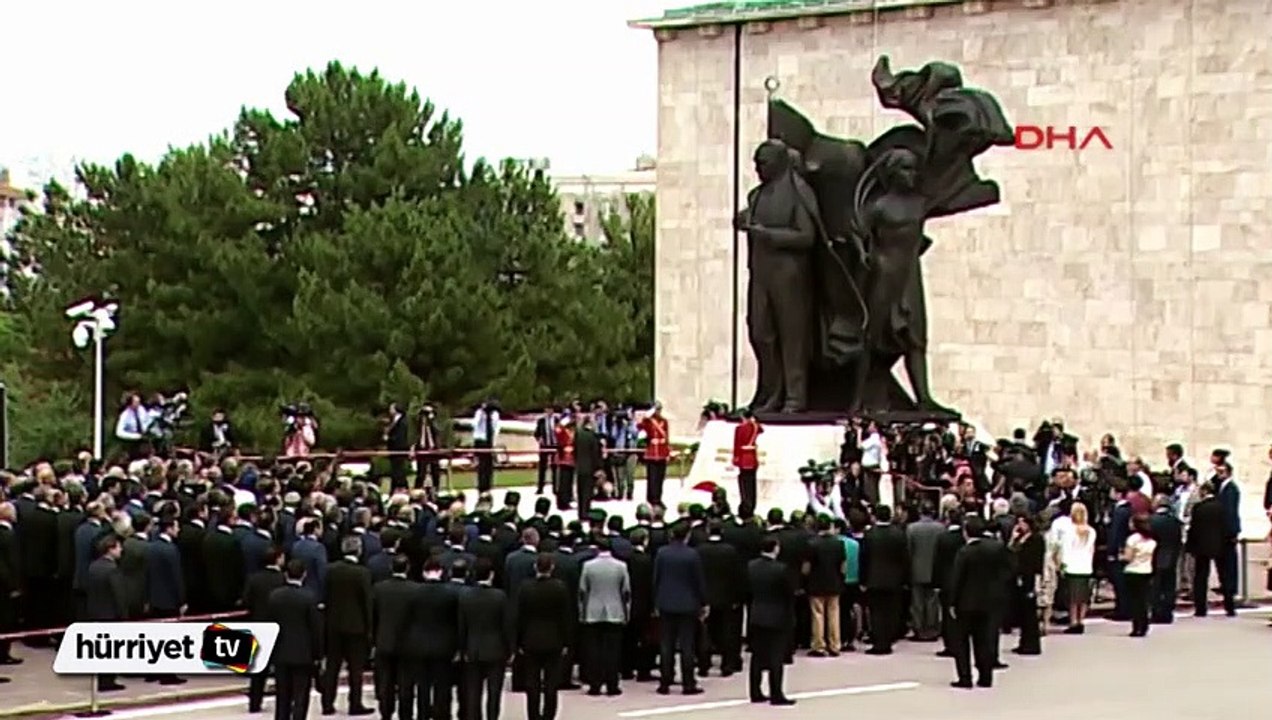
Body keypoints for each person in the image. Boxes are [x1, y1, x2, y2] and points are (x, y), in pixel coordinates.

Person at [947, 515, 1012, 689]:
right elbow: (1008, 570)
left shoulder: (965, 552)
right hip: (990, 601)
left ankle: (965, 677)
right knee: (984, 640)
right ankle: (985, 675)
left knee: (962, 642)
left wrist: (952, 602)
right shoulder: (996, 548)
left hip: (966, 603)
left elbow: (957, 579)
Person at [516, 554, 573, 720]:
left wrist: (518, 640)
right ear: (552, 567)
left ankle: (533, 715)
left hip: (530, 638)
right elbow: (565, 617)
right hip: (554, 639)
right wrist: (567, 641)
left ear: (535, 567)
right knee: (551, 683)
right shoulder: (560, 588)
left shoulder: (525, 588)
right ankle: (549, 715)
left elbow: (520, 616)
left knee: (532, 682)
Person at [321, 536, 374, 715]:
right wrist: (369, 628)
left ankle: (327, 703)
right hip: (356, 627)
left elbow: (325, 596)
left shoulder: (330, 570)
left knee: (332, 667)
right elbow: (367, 602)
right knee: (355, 669)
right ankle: (355, 703)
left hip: (333, 624)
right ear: (358, 550)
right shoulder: (362, 573)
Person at [652, 523, 707, 695]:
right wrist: (703, 602)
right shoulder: (692, 555)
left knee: (666, 644)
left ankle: (665, 681)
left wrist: (655, 601)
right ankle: (688, 682)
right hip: (687, 604)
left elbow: (656, 578)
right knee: (686, 645)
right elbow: (698, 581)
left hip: (666, 602)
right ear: (687, 535)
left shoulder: (662, 553)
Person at [267, 559, 323, 720]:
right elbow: (315, 629)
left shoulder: (274, 596)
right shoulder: (309, 598)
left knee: (282, 695)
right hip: (302, 654)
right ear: (304, 575)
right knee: (300, 696)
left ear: (286, 575)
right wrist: (318, 655)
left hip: (280, 653)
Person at [404, 558, 460, 720]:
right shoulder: (450, 594)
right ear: (441, 572)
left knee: (422, 685)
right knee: (442, 685)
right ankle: (441, 714)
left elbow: (409, 618)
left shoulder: (413, 592)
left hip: (419, 644)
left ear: (424, 573)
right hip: (444, 645)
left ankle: (423, 714)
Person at [458, 558, 512, 720]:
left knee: (473, 691)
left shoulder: (465, 596)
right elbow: (506, 625)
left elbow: (462, 625)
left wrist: (462, 648)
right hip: (496, 649)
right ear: (492, 575)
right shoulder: (500, 596)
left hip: (472, 648)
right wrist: (510, 648)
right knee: (494, 692)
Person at [578, 538, 630, 696]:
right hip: (614, 611)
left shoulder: (588, 566)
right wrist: (626, 612)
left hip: (593, 611)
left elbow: (582, 590)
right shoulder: (621, 566)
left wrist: (582, 612)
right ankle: (612, 685)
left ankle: (595, 685)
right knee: (613, 651)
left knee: (594, 651)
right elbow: (626, 591)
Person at [746, 537, 795, 706]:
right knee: (776, 656)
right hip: (777, 616)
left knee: (757, 656)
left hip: (757, 614)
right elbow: (788, 594)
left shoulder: (751, 566)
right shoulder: (781, 569)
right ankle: (776, 693)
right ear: (775, 549)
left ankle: (755, 691)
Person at [372, 555, 416, 720]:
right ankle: (406, 715)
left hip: (384, 640)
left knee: (386, 682)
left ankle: (386, 713)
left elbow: (373, 616)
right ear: (408, 568)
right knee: (406, 683)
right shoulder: (415, 589)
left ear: (392, 568)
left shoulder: (379, 588)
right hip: (408, 643)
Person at [859, 504, 908, 654]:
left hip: (874, 578)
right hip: (894, 579)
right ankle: (888, 639)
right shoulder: (899, 533)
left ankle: (879, 642)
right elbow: (904, 558)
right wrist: (905, 578)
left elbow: (864, 559)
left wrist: (863, 580)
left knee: (876, 612)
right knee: (891, 611)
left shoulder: (870, 534)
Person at [242, 548, 286, 713]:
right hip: (278, 626)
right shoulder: (282, 579)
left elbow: (246, 601)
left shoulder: (254, 579)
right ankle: (283, 702)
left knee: (258, 669)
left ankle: (255, 703)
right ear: (277, 559)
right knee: (281, 669)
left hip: (259, 626)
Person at [85, 535, 128, 692]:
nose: (121, 550)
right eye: (118, 547)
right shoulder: (112, 569)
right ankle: (108, 681)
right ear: (110, 549)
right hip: (110, 614)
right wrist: (124, 615)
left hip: (95, 611)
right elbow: (119, 595)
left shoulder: (93, 566)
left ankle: (101, 678)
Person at [1186, 482, 1231, 616]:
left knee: (1200, 578)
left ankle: (1201, 608)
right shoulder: (1221, 507)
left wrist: (1191, 546)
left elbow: (1194, 529)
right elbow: (1226, 527)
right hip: (1219, 545)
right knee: (1224, 577)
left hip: (1202, 546)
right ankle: (1230, 606)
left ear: (1204, 492)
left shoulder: (1199, 508)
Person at [805, 515, 846, 656]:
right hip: (834, 582)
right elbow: (843, 567)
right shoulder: (838, 543)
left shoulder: (811, 544)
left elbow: (806, 568)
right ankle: (835, 644)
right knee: (834, 614)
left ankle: (819, 645)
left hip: (816, 583)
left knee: (817, 614)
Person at [905, 501, 944, 642]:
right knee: (932, 601)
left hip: (916, 569)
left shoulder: (911, 528)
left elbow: (908, 550)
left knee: (917, 602)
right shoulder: (941, 528)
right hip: (934, 569)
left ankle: (919, 629)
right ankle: (932, 629)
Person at [1008, 515, 1044, 655]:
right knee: (1023, 612)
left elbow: (1036, 561)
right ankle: (1023, 642)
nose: (1019, 525)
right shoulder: (1019, 539)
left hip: (1030, 577)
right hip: (1020, 577)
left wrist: (1037, 580)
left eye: (1022, 523)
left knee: (1030, 612)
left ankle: (1031, 644)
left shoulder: (1036, 539)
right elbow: (1011, 551)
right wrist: (1013, 537)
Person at [1060, 502, 1097, 634]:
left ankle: (1073, 621)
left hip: (1072, 565)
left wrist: (1062, 564)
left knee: (1072, 598)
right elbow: (1091, 550)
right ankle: (1081, 620)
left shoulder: (1069, 531)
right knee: (1083, 596)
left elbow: (1066, 549)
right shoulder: (1091, 531)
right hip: (1085, 565)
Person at [1148, 494, 1183, 624]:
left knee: (1156, 586)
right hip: (1172, 556)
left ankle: (1157, 612)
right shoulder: (1175, 521)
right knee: (1169, 586)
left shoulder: (1153, 521)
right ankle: (1167, 612)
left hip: (1157, 556)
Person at [1121, 514, 1157, 638]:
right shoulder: (1151, 540)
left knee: (1135, 601)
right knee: (1143, 600)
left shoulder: (1133, 539)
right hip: (1147, 569)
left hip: (1133, 570)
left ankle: (1136, 626)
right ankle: (1144, 624)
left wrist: (1119, 557)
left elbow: (1128, 557)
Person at [639, 404, 671, 505]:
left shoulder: (664, 421)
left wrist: (667, 452)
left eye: (659, 409)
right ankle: (651, 498)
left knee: (660, 478)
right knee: (652, 478)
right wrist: (645, 417)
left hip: (661, 451)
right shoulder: (649, 421)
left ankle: (658, 497)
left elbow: (666, 437)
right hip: (652, 451)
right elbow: (640, 426)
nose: (658, 411)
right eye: (656, 409)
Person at [732, 410, 763, 510]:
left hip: (743, 457)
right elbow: (761, 429)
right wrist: (753, 421)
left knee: (744, 483)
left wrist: (735, 457)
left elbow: (737, 444)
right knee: (752, 482)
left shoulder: (739, 428)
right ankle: (752, 503)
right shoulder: (755, 427)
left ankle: (745, 503)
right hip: (752, 458)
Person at [471, 401, 501, 493]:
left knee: (489, 465)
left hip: (490, 440)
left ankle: (488, 485)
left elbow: (496, 427)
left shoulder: (495, 414)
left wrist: (494, 442)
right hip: (480, 439)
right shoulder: (479, 413)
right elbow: (474, 424)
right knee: (481, 465)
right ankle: (481, 486)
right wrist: (482, 415)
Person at [383, 401, 411, 490]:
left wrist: (389, 438)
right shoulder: (394, 421)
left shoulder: (402, 421)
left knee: (399, 470)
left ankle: (401, 487)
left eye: (391, 408)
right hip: (393, 449)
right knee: (396, 470)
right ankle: (397, 487)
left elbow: (400, 436)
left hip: (399, 449)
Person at [533, 406, 559, 495]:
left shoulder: (557, 421)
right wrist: (539, 439)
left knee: (555, 467)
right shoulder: (541, 421)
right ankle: (540, 488)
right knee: (542, 467)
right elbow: (536, 433)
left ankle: (555, 488)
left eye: (550, 410)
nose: (549, 412)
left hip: (555, 446)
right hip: (544, 446)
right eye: (547, 410)